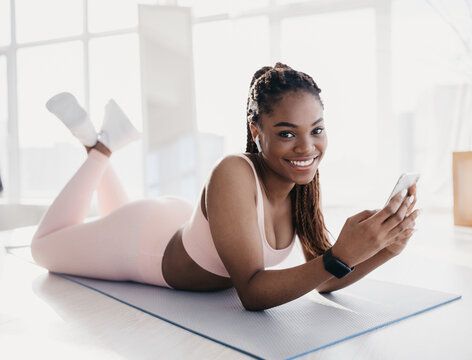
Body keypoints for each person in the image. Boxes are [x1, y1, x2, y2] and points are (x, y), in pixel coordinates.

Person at [31, 62, 419, 311]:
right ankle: (97, 147)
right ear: (257, 132)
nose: (306, 147)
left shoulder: (299, 183)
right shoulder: (234, 171)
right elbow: (251, 291)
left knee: (107, 219)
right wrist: (339, 254)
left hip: (169, 222)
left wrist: (384, 249)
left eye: (316, 130)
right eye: (287, 133)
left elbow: (322, 280)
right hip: (140, 243)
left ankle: (102, 142)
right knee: (43, 247)